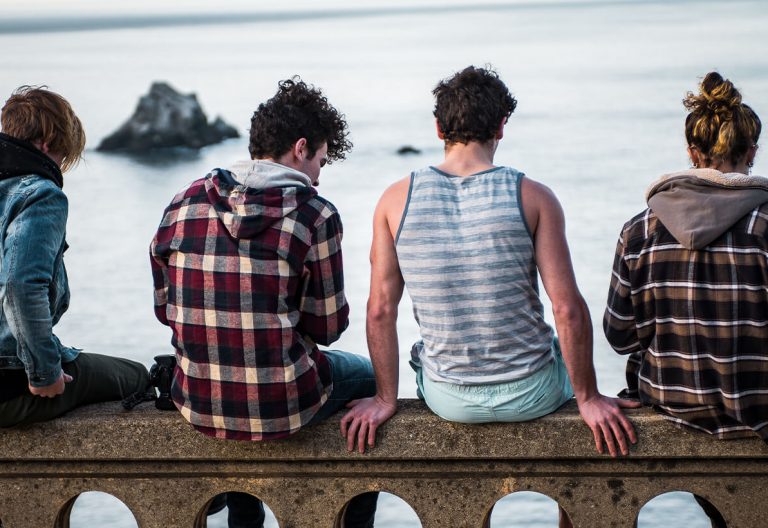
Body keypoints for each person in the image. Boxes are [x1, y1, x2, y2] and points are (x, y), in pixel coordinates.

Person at [341, 66, 639, 463]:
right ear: (501, 126)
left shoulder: (395, 201)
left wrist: (383, 398)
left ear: (438, 128)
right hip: (532, 392)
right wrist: (588, 397)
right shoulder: (533, 196)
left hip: (449, 400)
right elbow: (566, 309)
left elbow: (380, 310)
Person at [150, 77, 377, 528]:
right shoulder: (316, 214)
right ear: (300, 148)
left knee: (234, 366)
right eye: (321, 161)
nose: (318, 175)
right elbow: (328, 328)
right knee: (368, 378)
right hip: (283, 403)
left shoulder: (183, 202)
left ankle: (244, 518)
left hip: (198, 396)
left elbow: (165, 309)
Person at [604, 71, 765, 442]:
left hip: (673, 404)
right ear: (751, 151)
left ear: (692, 153)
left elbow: (619, 336)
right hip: (758, 409)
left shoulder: (638, 231)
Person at [0, 86, 150, 426]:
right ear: (48, 143)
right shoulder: (39, 193)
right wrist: (44, 373)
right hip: (9, 383)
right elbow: (20, 285)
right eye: (63, 157)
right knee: (137, 376)